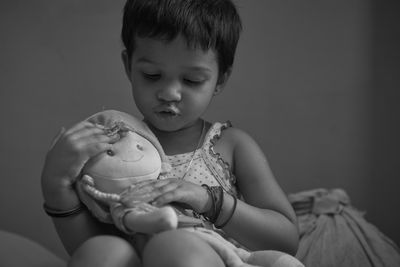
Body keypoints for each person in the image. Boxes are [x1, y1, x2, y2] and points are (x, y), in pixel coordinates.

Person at [41, 0, 300, 266]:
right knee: (102, 251)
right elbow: (86, 248)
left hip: (217, 257)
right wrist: (57, 185)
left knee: (173, 247)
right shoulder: (115, 148)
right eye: (152, 75)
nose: (169, 93)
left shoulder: (231, 145)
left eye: (191, 81)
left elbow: (286, 239)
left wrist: (208, 200)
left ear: (220, 79)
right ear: (129, 66)